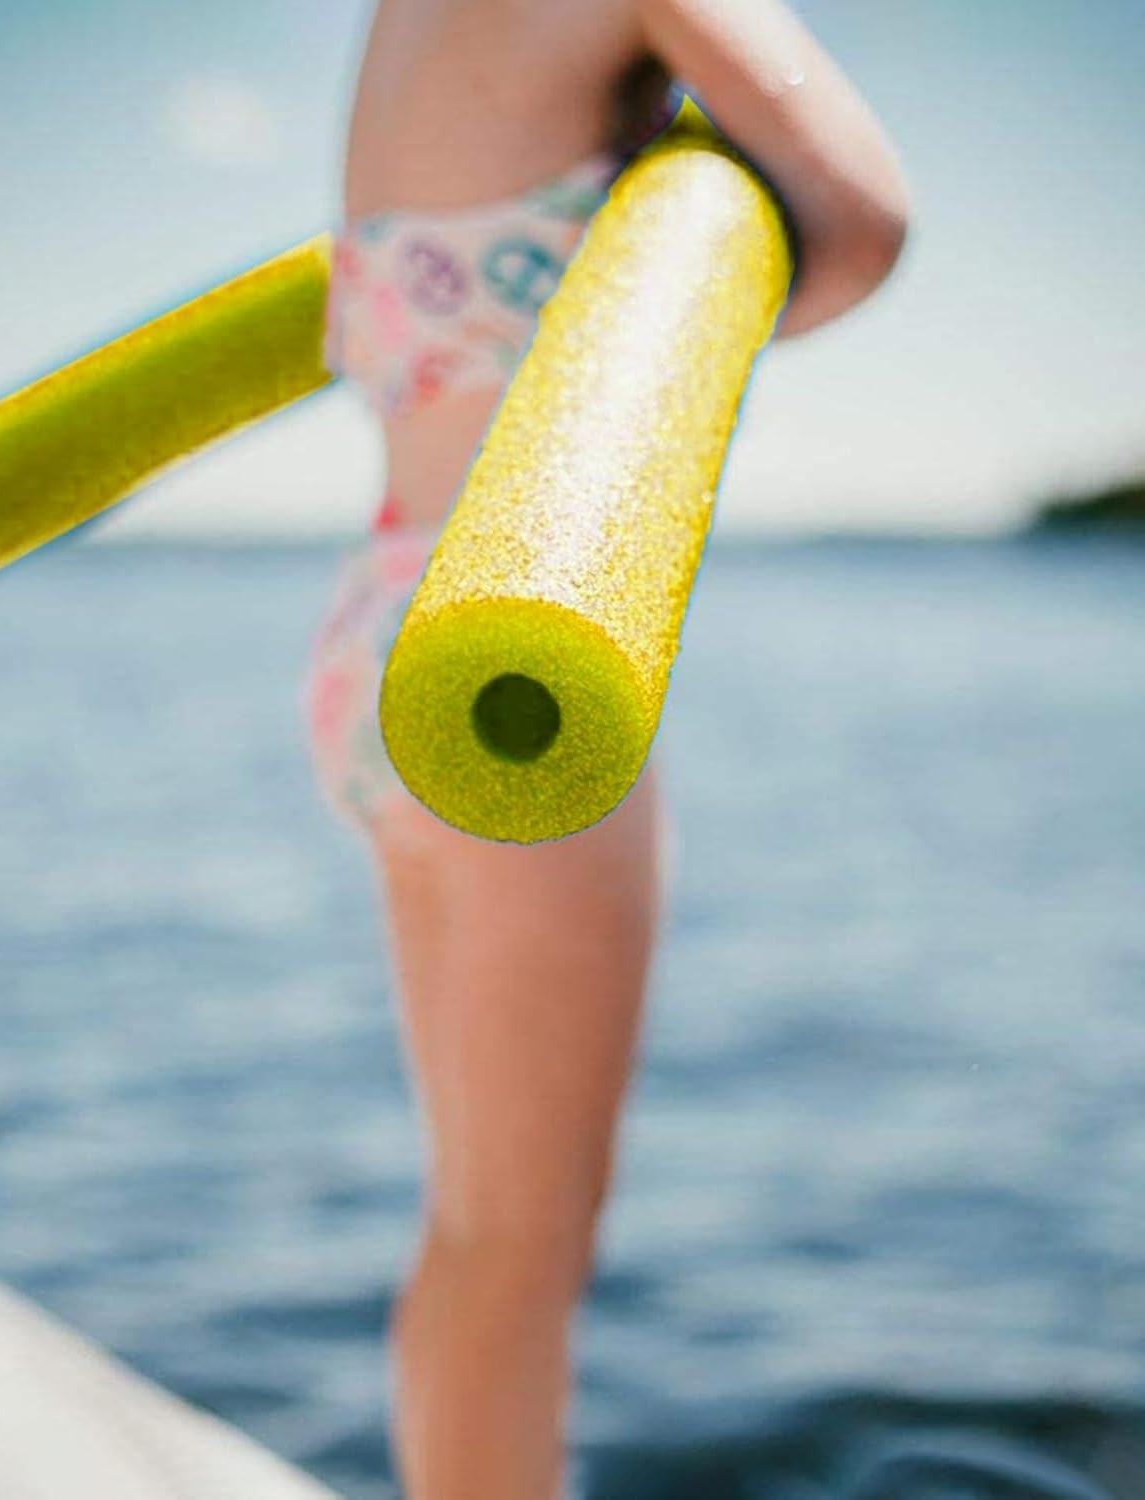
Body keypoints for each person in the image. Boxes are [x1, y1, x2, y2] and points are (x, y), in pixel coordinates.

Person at [303, 3, 910, 1496]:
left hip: (380, 620)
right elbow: (862, 221)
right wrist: (698, 237)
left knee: (479, 1225)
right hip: (526, 635)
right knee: (525, 1243)